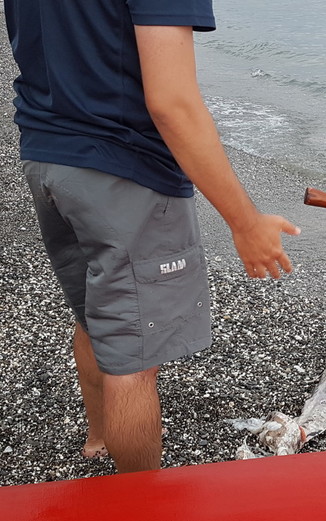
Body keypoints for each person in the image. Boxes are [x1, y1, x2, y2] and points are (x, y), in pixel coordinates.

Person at [3, 1, 300, 473]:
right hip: (125, 171)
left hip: (46, 156)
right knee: (134, 356)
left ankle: (100, 437)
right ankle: (138, 504)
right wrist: (245, 222)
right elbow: (172, 103)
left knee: (98, 314)